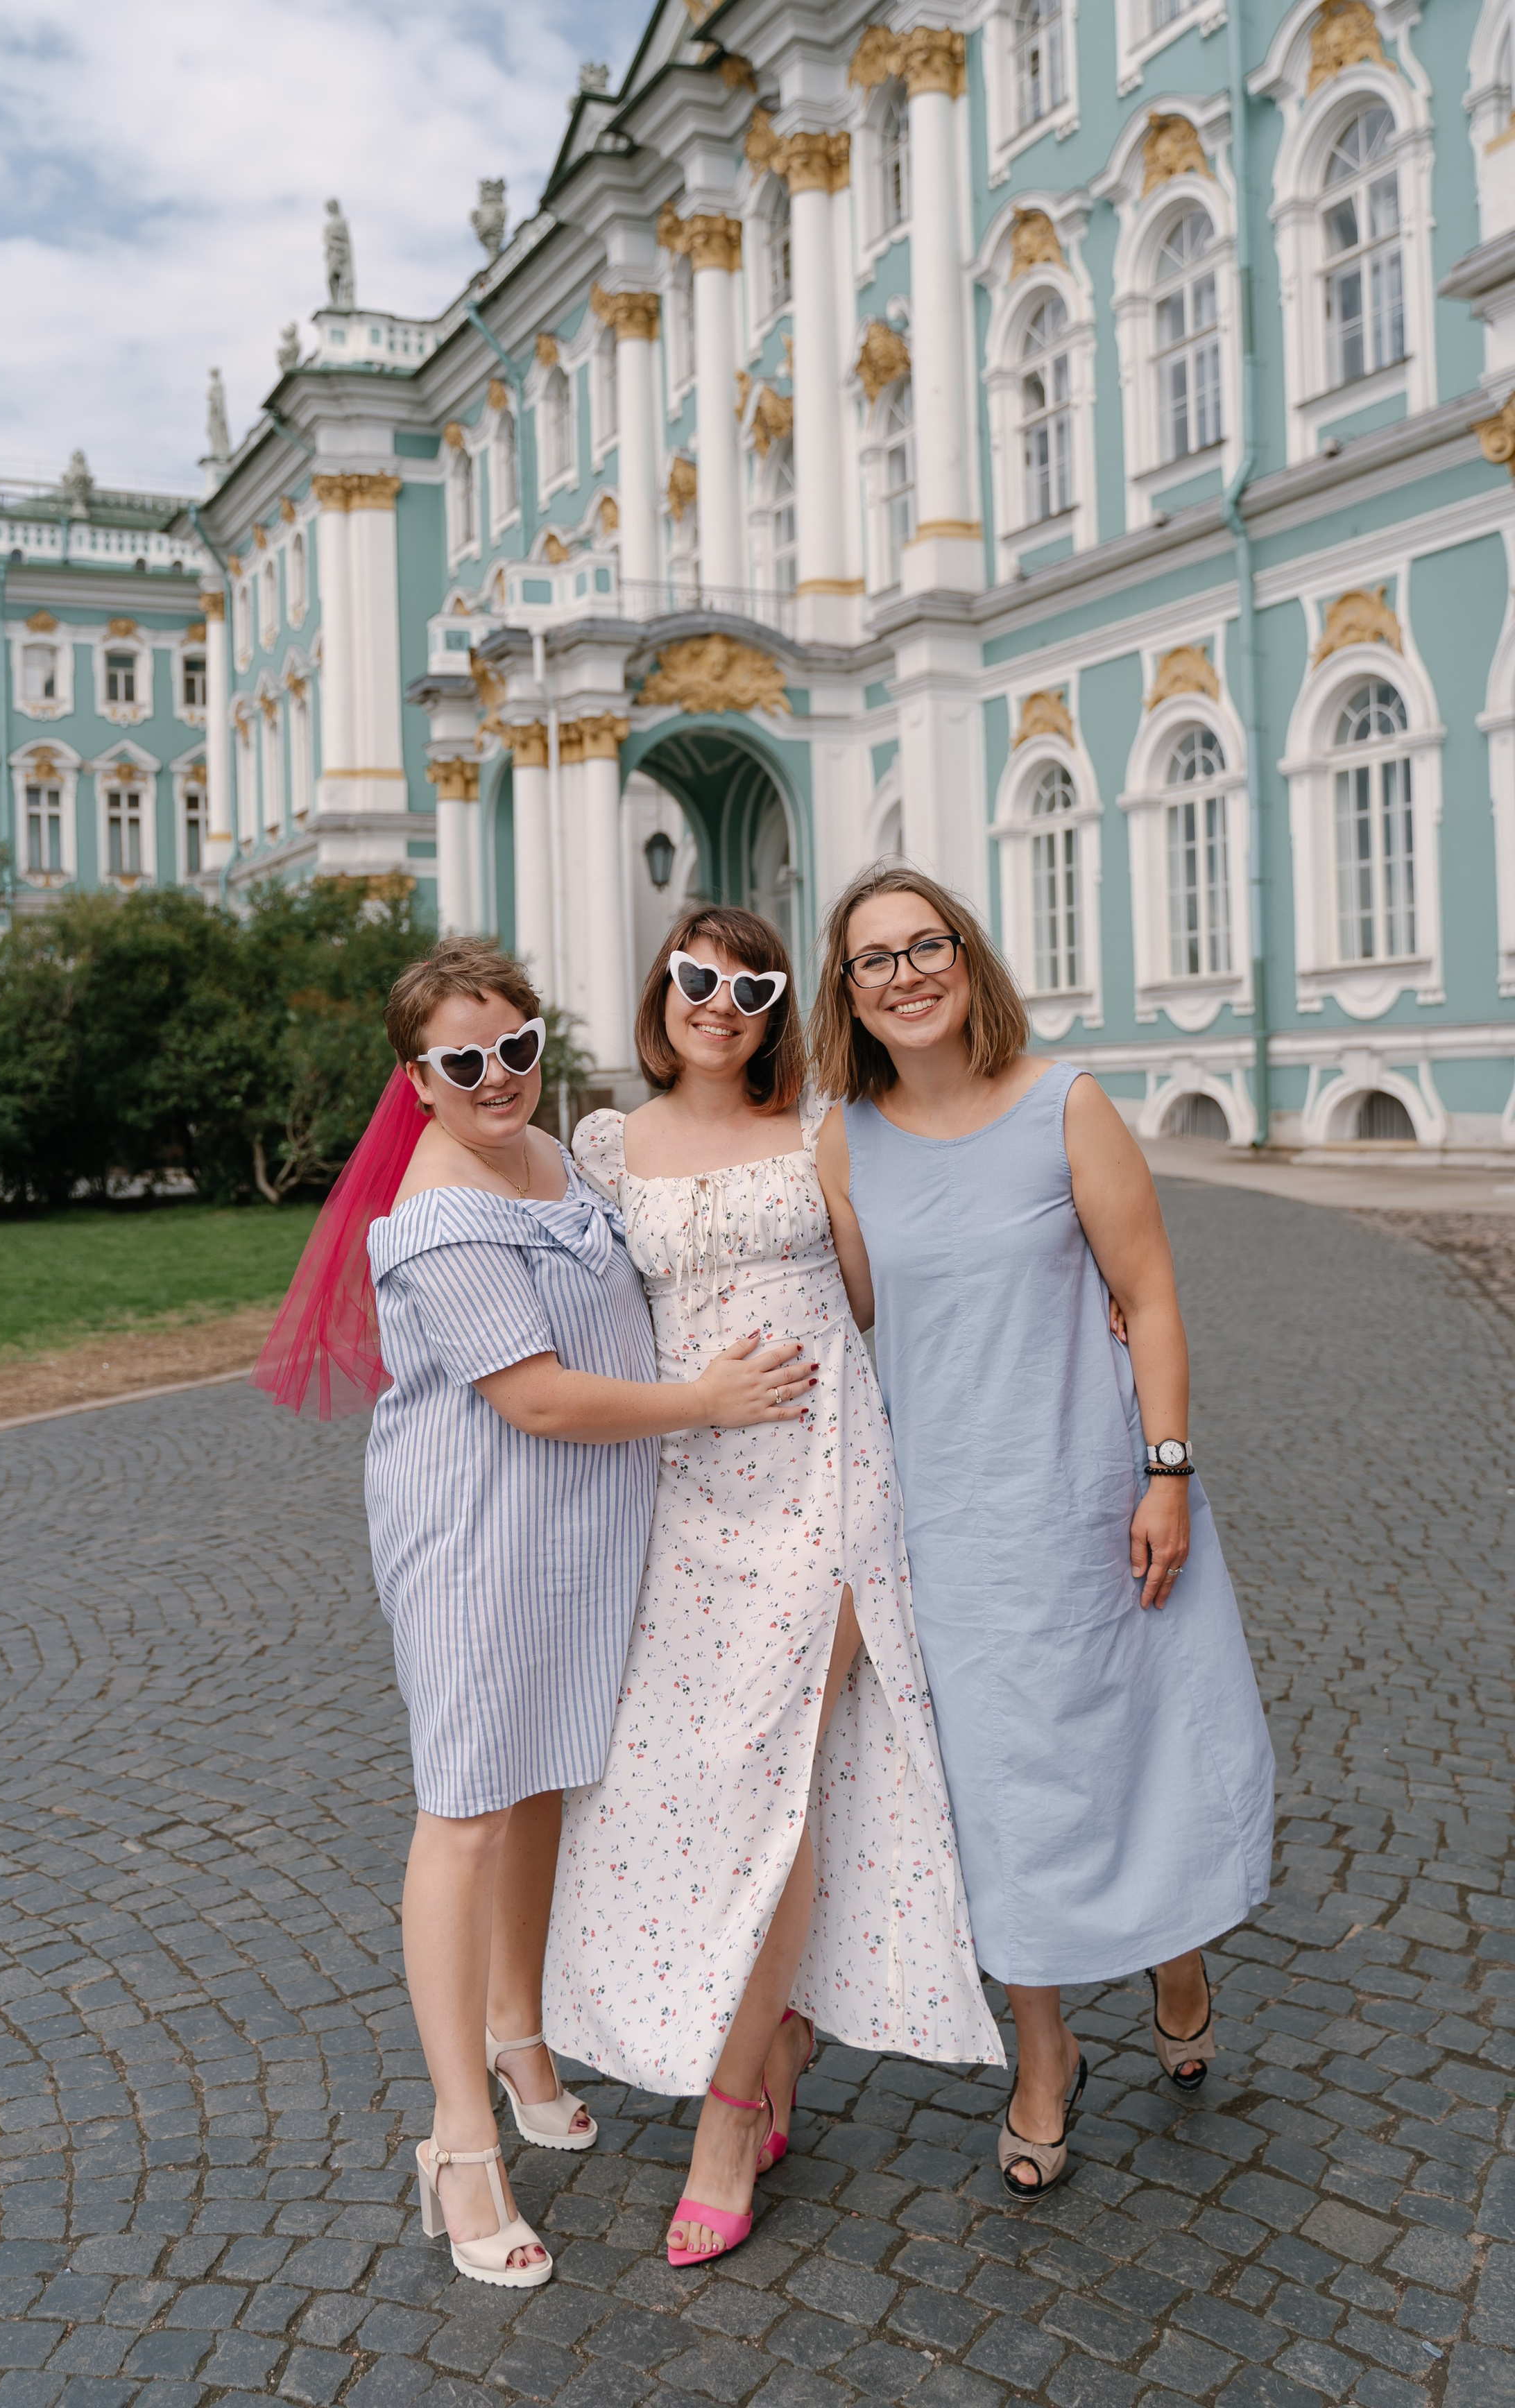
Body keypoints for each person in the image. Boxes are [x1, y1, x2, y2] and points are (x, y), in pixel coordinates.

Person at [348, 938, 810, 2290]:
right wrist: (702, 1408)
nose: (497, 1077)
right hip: (476, 1542)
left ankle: (520, 2034)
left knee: (546, 1783)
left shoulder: (554, 1156)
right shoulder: (438, 1212)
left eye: (517, 1047)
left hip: (578, 1535)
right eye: (462, 1061)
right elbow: (537, 1397)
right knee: (467, 1811)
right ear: (415, 1080)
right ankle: (458, 2141)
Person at [810, 863, 1276, 2199]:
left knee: (1140, 1753)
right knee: (999, 1803)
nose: (904, 976)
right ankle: (1042, 2053)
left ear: (968, 957)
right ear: (848, 993)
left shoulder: (1065, 1106)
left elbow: (1154, 1293)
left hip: (1094, 1501)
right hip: (948, 1533)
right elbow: (848, 1330)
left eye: (924, 947)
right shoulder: (845, 1142)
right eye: (873, 961)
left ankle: (1176, 1956)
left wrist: (1167, 1472)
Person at [545, 906, 1002, 2267]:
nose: (719, 999)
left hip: (823, 1488)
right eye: (696, 975)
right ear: (661, 989)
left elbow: (902, 1292)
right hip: (679, 1504)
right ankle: (781, 2031)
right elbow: (571, 1317)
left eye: (751, 983)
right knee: (683, 1783)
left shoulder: (822, 1133)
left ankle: (731, 2110)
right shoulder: (602, 1147)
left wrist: (1076, 1297)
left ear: (775, 1005)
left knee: (779, 1778)